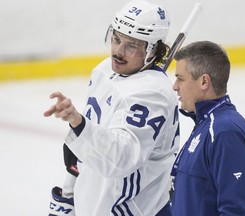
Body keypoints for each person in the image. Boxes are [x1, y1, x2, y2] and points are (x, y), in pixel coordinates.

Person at [44, 0, 180, 215]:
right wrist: (67, 195)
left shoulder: (152, 95)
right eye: (116, 39)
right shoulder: (104, 70)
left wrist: (79, 124)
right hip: (96, 203)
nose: (118, 51)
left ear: (153, 51)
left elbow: (119, 160)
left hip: (130, 209)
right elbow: (88, 149)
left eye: (131, 46)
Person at [170, 41, 245, 215]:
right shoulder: (207, 126)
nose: (175, 86)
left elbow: (236, 212)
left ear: (204, 81)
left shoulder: (226, 133)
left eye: (180, 78)